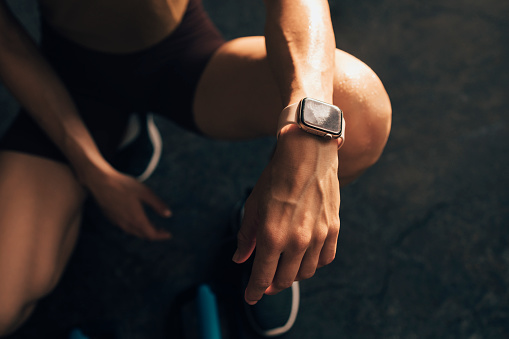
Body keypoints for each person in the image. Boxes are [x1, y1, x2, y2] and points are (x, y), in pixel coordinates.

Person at [0, 0, 392, 336]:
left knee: (362, 116)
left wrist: (310, 134)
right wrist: (92, 169)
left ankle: (261, 230)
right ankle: (117, 139)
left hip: (180, 57)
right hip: (69, 82)